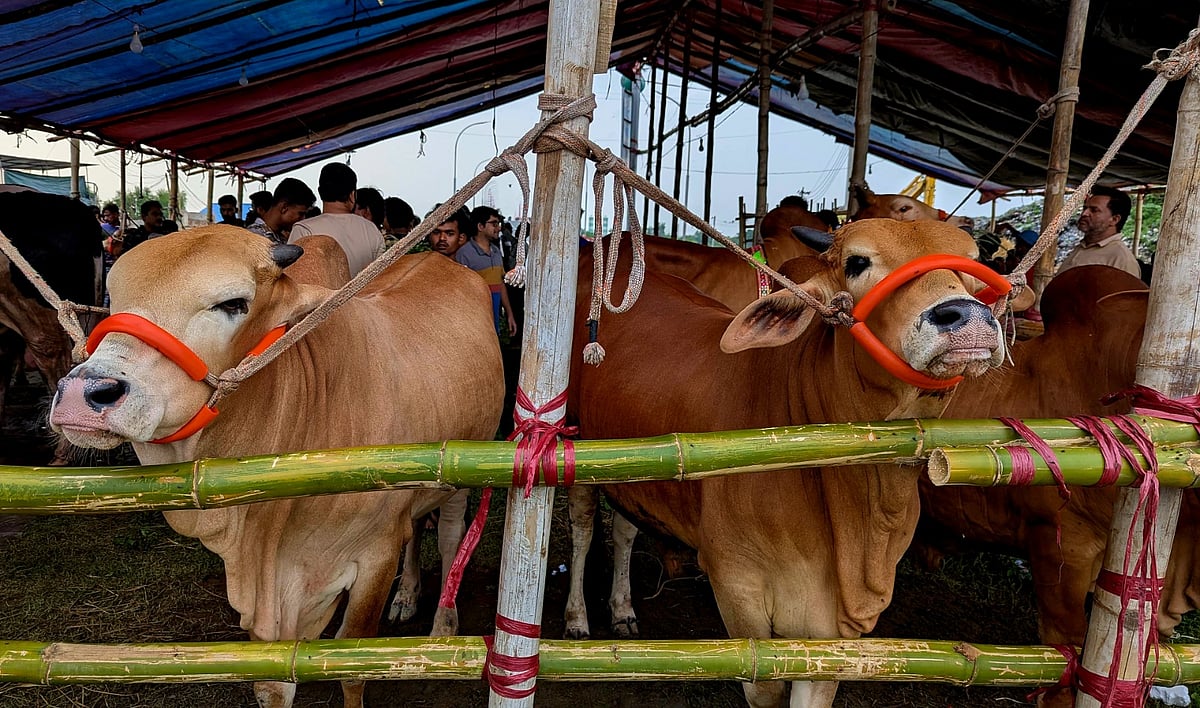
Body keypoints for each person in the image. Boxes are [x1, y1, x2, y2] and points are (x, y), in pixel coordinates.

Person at [287, 162, 383, 276]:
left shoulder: (304, 230)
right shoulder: (371, 230)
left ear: (320, 192)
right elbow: (381, 276)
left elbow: (291, 277)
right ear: (352, 195)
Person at [1056, 185, 1141, 279]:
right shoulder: (1082, 247)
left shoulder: (1121, 259)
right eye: (1085, 208)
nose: (1084, 214)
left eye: (1094, 210)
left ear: (1114, 219)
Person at [457, 206, 517, 336]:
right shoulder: (464, 254)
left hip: (494, 320)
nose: (498, 228)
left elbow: (500, 285)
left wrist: (509, 314)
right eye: (494, 224)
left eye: (498, 224)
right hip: (473, 324)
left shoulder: (496, 252)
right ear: (480, 226)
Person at [246, 178, 316, 245]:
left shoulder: (280, 237)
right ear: (284, 208)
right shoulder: (254, 237)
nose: (303, 219)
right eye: (301, 214)